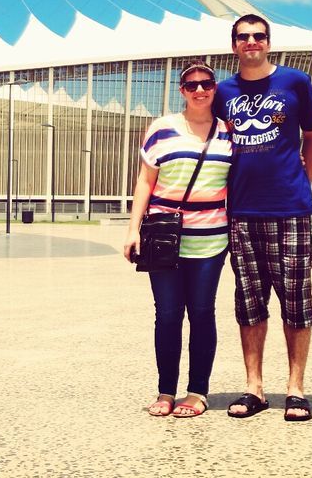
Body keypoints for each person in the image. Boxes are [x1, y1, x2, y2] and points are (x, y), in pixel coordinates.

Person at [213, 13, 312, 422]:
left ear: (269, 41)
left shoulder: (295, 82)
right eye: (244, 37)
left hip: (290, 209)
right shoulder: (223, 91)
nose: (252, 43)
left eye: (259, 36)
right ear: (234, 45)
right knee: (250, 302)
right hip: (241, 211)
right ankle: (254, 387)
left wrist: (303, 181)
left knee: (296, 302)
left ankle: (296, 389)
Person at [123, 62, 233, 418]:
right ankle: (165, 390)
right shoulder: (162, 128)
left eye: (206, 84)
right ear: (181, 90)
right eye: (191, 85)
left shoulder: (228, 131)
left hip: (211, 238)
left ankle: (197, 391)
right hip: (164, 235)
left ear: (215, 88)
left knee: (202, 313)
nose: (200, 90)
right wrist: (132, 228)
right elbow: (145, 181)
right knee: (168, 314)